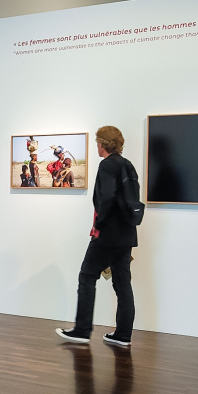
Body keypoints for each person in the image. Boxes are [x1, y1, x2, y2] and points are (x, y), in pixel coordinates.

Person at [57, 126, 139, 347]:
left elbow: (107, 199)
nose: (96, 146)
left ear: (103, 143)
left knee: (86, 276)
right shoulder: (127, 165)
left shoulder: (107, 165)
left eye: (97, 142)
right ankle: (123, 335)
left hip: (108, 235)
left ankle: (82, 330)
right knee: (122, 283)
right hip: (126, 234)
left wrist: (98, 227)